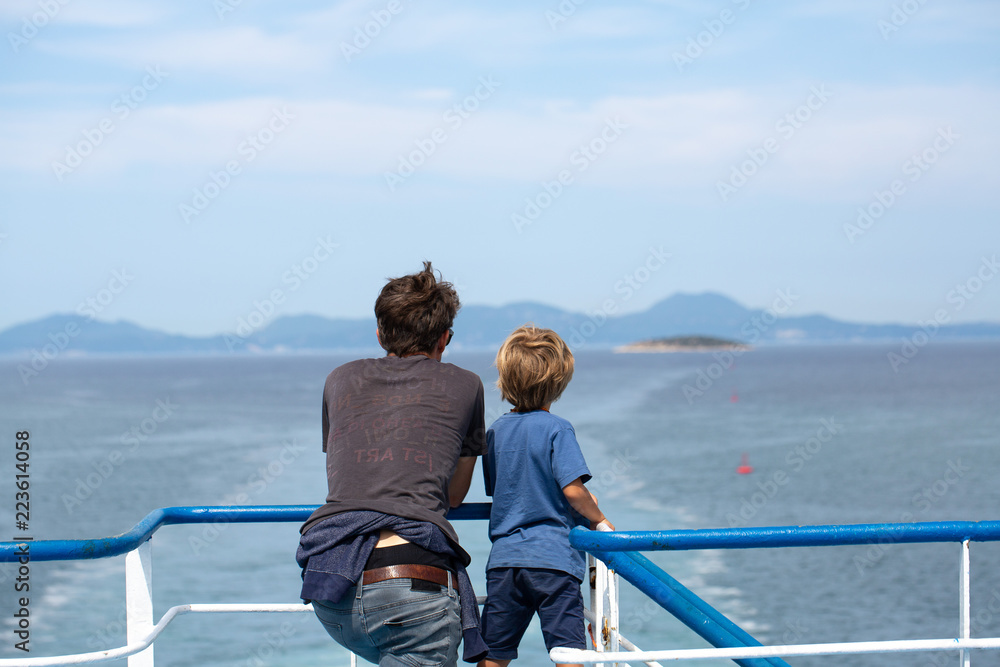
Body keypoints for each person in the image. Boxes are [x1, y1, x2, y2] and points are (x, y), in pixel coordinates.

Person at [296, 261, 488, 667]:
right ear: (444, 339)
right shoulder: (467, 384)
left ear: (380, 333)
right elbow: (453, 495)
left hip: (332, 586)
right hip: (412, 590)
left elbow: (351, 474)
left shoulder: (338, 379)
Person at [479, 325, 614, 667]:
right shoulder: (557, 429)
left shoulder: (495, 432)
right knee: (568, 653)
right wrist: (598, 517)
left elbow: (501, 489)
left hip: (505, 561)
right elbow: (572, 490)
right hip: (553, 561)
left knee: (494, 652)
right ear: (559, 382)